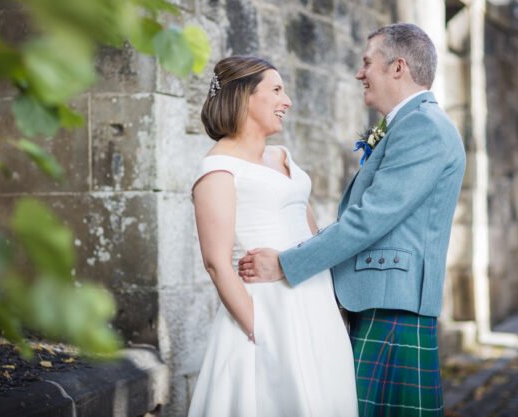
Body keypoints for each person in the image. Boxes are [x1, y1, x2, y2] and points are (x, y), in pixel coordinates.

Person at [238, 23, 466, 417]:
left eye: (367, 63)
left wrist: (285, 263)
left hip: (393, 308)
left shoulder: (423, 127)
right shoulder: (409, 124)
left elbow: (369, 219)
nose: (360, 73)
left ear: (398, 68)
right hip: (382, 301)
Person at [188, 56, 358, 417]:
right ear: (246, 97)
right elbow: (216, 263)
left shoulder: (283, 157)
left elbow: (312, 234)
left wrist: (333, 303)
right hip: (268, 311)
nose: (288, 101)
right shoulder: (218, 169)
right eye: (277, 90)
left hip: (317, 305)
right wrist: (259, 329)